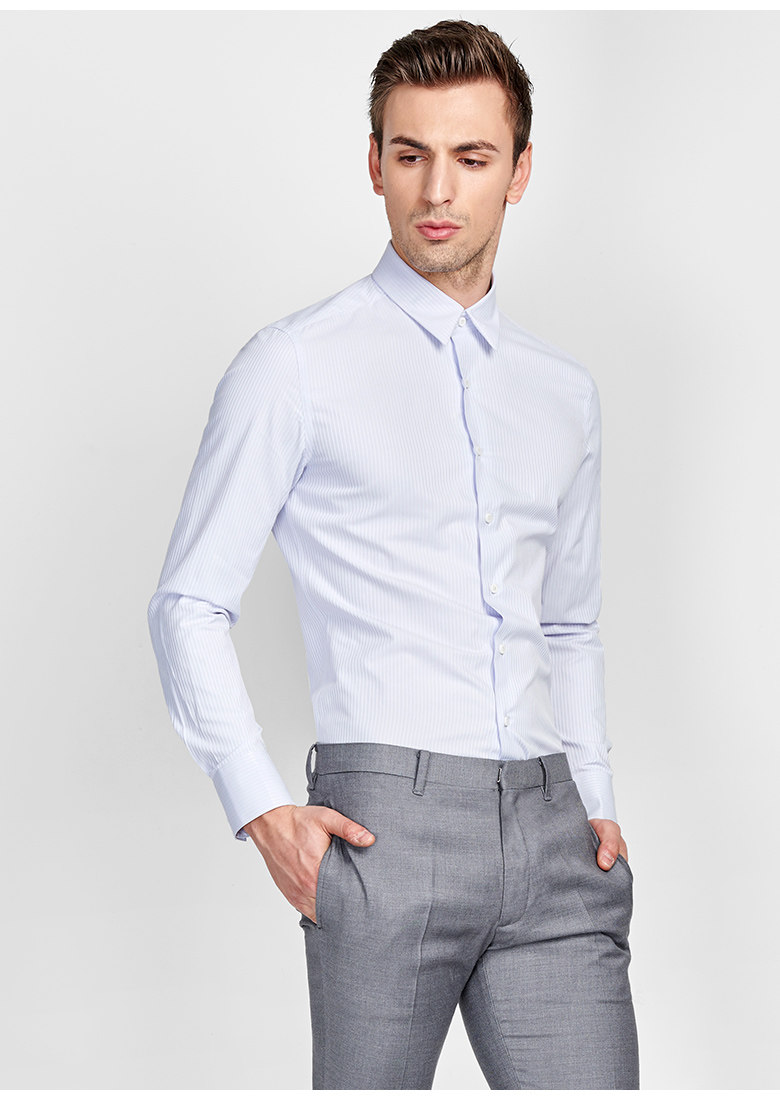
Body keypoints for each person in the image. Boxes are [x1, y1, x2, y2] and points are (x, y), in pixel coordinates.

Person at [147, 18, 639, 1090]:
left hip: (555, 834)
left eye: (472, 156)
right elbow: (187, 602)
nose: (437, 190)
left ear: (519, 173)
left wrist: (596, 798)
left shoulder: (563, 393)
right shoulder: (295, 365)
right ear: (374, 163)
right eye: (411, 154)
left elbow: (568, 620)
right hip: (385, 832)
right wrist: (263, 810)